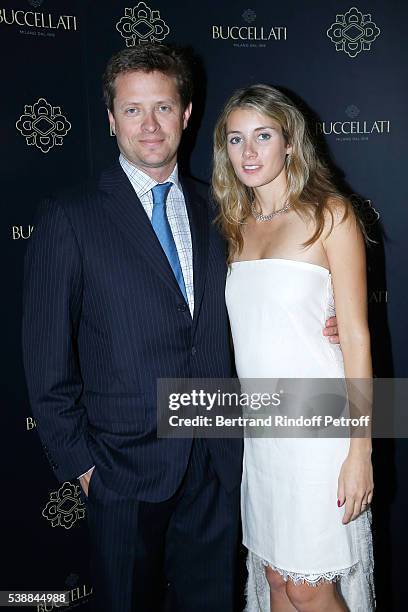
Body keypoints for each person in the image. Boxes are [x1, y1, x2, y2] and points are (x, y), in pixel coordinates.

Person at [22, 45, 339, 612]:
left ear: (187, 114)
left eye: (163, 108)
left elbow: (273, 292)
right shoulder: (69, 217)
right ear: (110, 118)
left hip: (218, 463)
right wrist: (85, 469)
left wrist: (325, 324)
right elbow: (45, 361)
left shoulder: (222, 210)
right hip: (123, 470)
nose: (150, 125)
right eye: (133, 109)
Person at [213, 84, 375, 612]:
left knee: (309, 585)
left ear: (289, 142)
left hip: (320, 429)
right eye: (236, 139)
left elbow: (354, 336)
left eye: (263, 136)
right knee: (277, 579)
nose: (250, 152)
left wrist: (361, 450)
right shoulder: (235, 225)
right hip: (263, 431)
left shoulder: (331, 215)